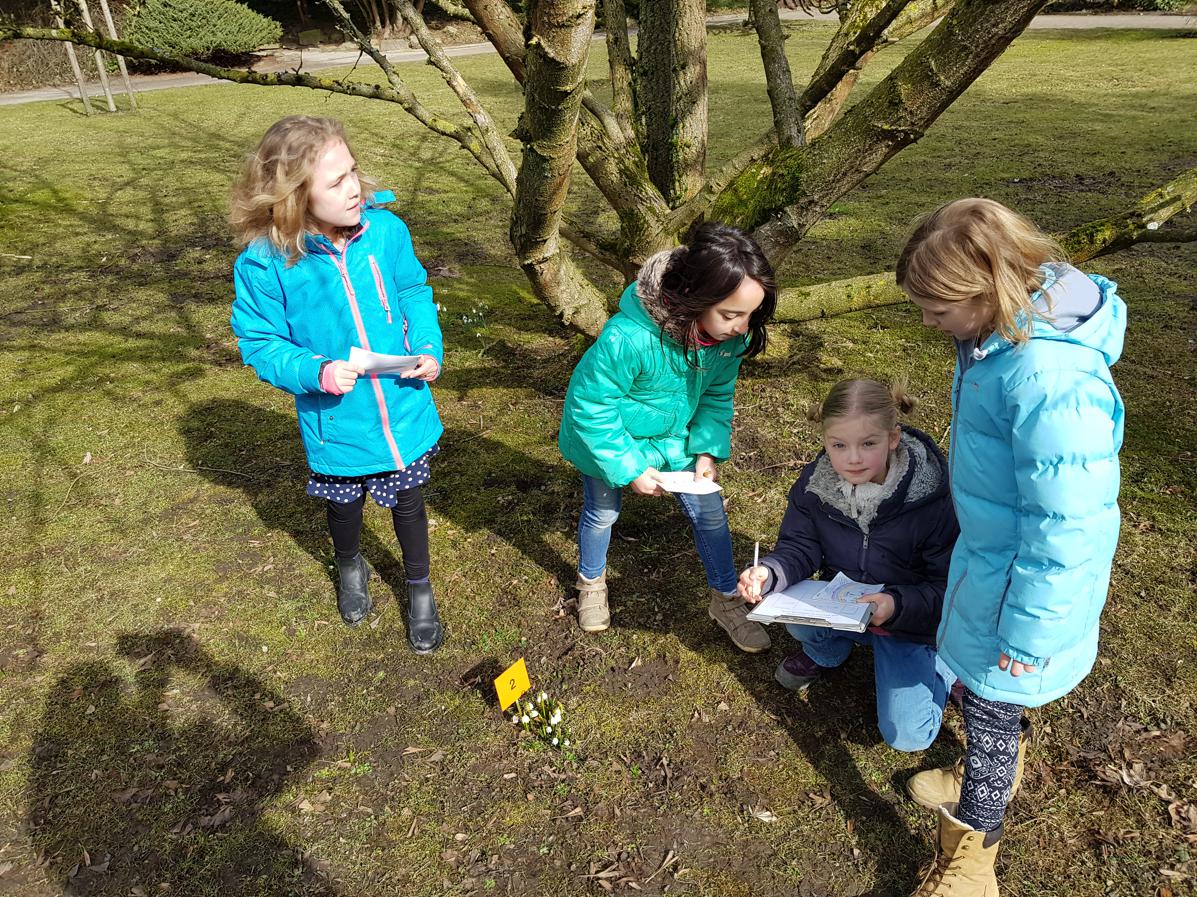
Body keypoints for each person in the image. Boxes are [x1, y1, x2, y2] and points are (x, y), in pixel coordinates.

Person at [896, 198, 1125, 896]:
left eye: (936, 309)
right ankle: (980, 771)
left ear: (983, 288)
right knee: (977, 690)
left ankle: (971, 857)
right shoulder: (996, 342)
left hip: (1022, 594)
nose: (928, 323)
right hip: (993, 564)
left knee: (993, 701)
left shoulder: (1046, 378)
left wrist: (1026, 635)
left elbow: (1068, 526)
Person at [229, 115, 445, 652]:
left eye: (353, 172)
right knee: (344, 507)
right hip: (336, 421)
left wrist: (426, 347)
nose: (354, 188)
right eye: (335, 182)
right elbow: (260, 343)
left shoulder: (387, 231)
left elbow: (414, 289)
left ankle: (419, 589)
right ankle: (350, 563)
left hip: (401, 408)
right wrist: (315, 371)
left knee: (410, 503)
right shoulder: (266, 264)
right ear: (294, 196)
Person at [557, 223, 776, 651]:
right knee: (602, 512)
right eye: (731, 315)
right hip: (609, 444)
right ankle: (591, 581)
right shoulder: (628, 338)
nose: (741, 327)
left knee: (710, 514)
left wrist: (707, 452)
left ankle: (725, 598)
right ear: (694, 298)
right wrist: (631, 468)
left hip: (674, 440)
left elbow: (716, 395)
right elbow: (592, 408)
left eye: (750, 314)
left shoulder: (728, 340)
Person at [739, 379, 960, 752]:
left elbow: (948, 587)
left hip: (909, 624)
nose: (852, 458)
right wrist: (771, 572)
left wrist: (895, 606)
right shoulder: (816, 484)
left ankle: (945, 668)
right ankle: (827, 653)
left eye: (868, 444)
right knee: (791, 612)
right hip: (843, 605)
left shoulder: (933, 499)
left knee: (908, 735)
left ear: (893, 438)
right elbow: (800, 546)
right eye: (838, 445)